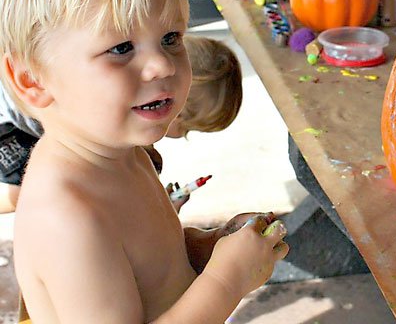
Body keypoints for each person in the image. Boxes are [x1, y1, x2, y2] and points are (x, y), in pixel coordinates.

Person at [0, 0, 288, 322]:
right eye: (121, 48)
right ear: (33, 80)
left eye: (171, 38)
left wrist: (207, 250)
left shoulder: (121, 154)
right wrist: (225, 281)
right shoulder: (67, 217)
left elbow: (146, 265)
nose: (163, 65)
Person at [0, 34, 243, 213]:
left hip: (26, 105)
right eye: (188, 129)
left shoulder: (129, 81)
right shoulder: (95, 114)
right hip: (10, 121)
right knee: (32, 193)